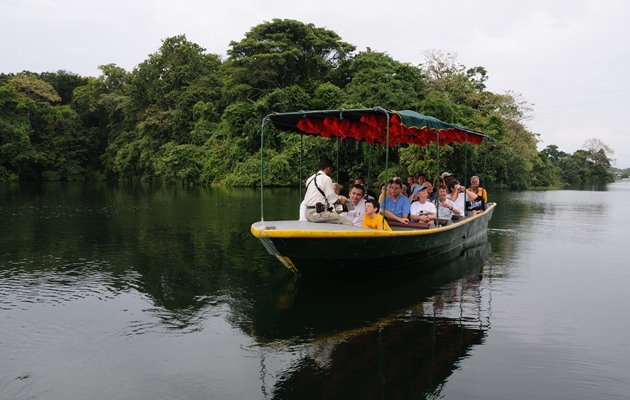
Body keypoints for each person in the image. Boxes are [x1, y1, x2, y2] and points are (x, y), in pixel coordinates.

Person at [303, 158, 353, 225]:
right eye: (331, 170)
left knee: (333, 218)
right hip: (317, 213)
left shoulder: (310, 179)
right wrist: (341, 200)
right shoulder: (326, 178)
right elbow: (332, 199)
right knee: (347, 222)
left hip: (307, 213)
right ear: (328, 168)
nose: (331, 172)